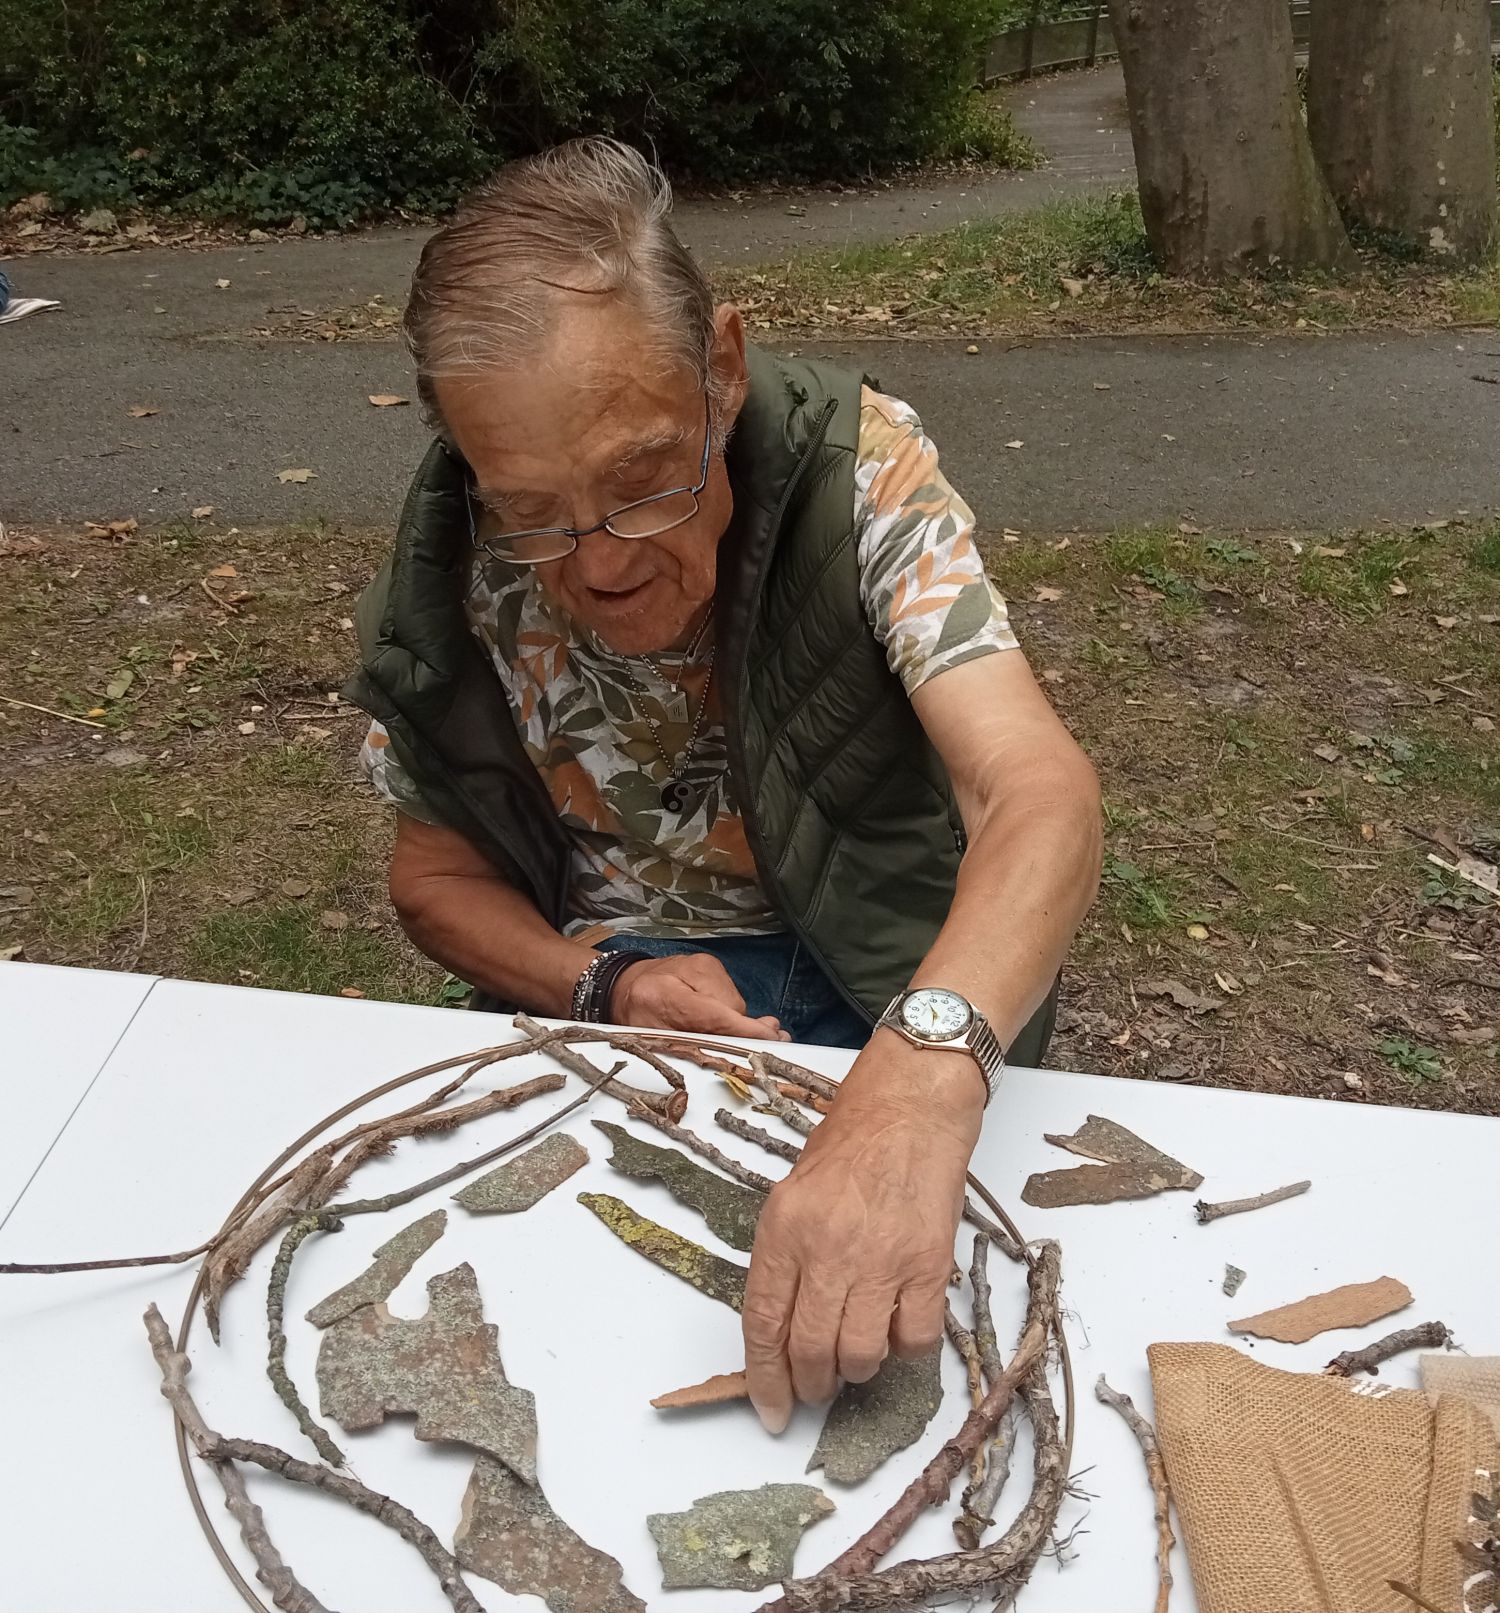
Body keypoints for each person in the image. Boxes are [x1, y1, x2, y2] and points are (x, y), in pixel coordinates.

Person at [346, 139, 1102, 1433]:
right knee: (575, 1366)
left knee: (925, 1357)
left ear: (725, 368)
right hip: (619, 991)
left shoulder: (854, 473)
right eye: (532, 510)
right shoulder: (454, 558)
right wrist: (608, 984)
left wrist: (921, 1074)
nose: (596, 563)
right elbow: (430, 880)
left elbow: (1040, 795)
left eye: (645, 480)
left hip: (884, 971)